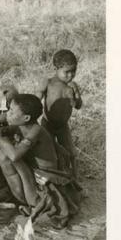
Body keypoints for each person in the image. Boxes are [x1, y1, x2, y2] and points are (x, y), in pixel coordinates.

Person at [0, 94, 80, 228]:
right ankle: (21, 199)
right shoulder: (22, 125)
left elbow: (15, 155)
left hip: (45, 181)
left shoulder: (36, 130)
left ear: (26, 118)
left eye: (11, 111)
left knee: (6, 155)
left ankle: (32, 203)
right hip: (35, 174)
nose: (7, 115)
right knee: (4, 152)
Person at [36, 49, 82, 178]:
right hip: (47, 124)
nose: (71, 75)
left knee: (72, 153)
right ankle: (54, 177)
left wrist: (76, 96)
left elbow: (78, 106)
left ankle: (75, 180)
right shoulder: (48, 83)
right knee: (50, 153)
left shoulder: (72, 86)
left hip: (62, 126)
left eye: (74, 71)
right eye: (66, 72)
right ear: (55, 68)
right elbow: (35, 101)